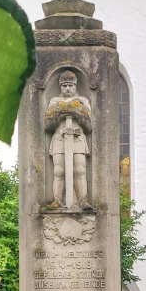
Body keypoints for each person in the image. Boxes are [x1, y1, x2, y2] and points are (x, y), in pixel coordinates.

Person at [45, 70, 93, 210]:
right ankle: (58, 201)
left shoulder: (82, 101)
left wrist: (76, 113)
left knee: (79, 170)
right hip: (60, 139)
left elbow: (89, 125)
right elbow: (47, 125)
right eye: (64, 86)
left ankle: (83, 201)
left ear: (75, 86)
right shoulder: (54, 102)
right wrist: (59, 115)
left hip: (77, 139)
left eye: (70, 85)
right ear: (61, 87)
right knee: (58, 171)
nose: (67, 88)